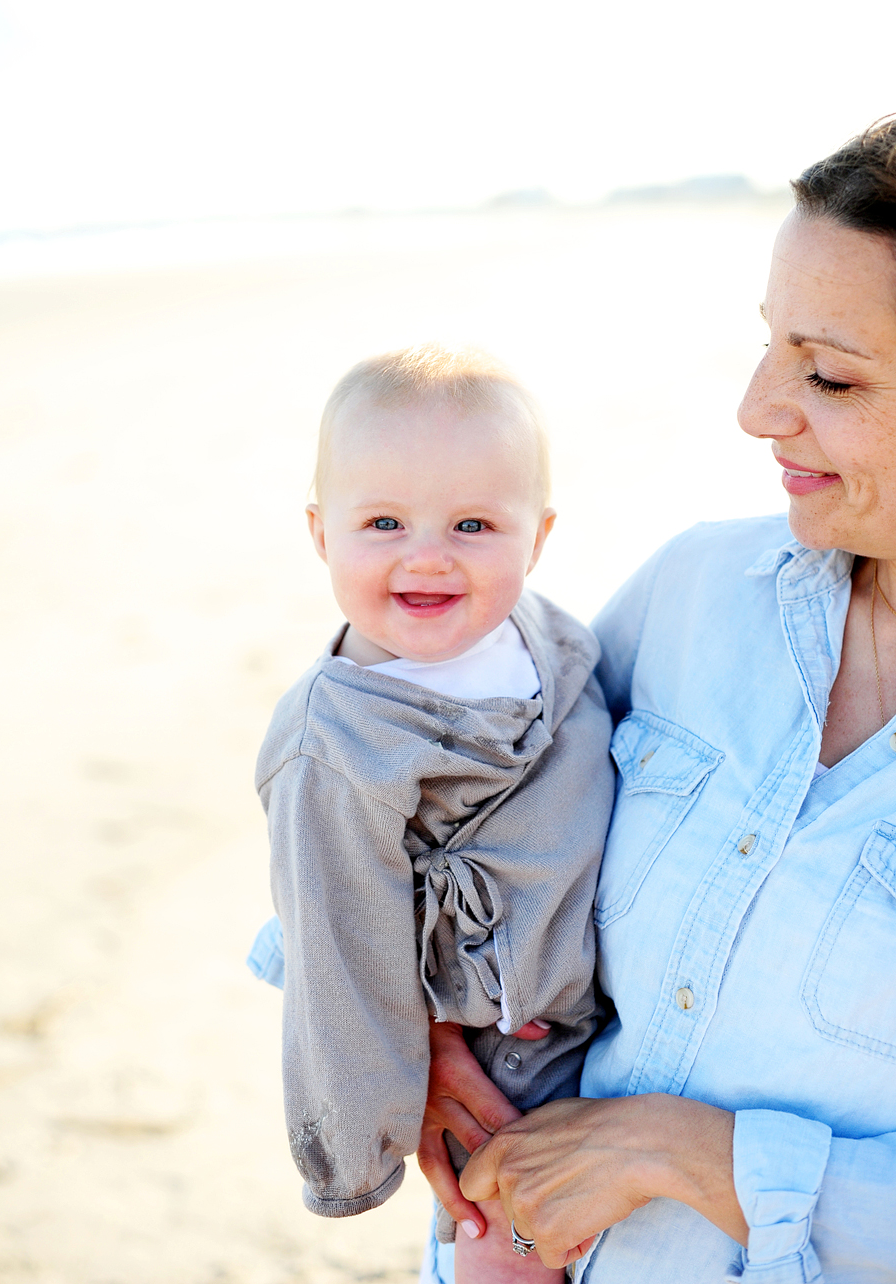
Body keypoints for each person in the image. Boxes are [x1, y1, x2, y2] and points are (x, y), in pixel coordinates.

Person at [419, 117, 896, 1283]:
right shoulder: (698, 590)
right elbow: (443, 783)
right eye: (771, 348)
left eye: (828, 373)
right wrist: (410, 1016)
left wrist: (706, 1159)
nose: (759, 407)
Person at [251, 343, 614, 1283]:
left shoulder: (544, 635)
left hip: (609, 1020)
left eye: (471, 524)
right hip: (502, 1061)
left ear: (536, 538)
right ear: (320, 533)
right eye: (383, 521)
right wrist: (359, 1142)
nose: (427, 555)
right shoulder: (339, 738)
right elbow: (341, 948)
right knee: (510, 1247)